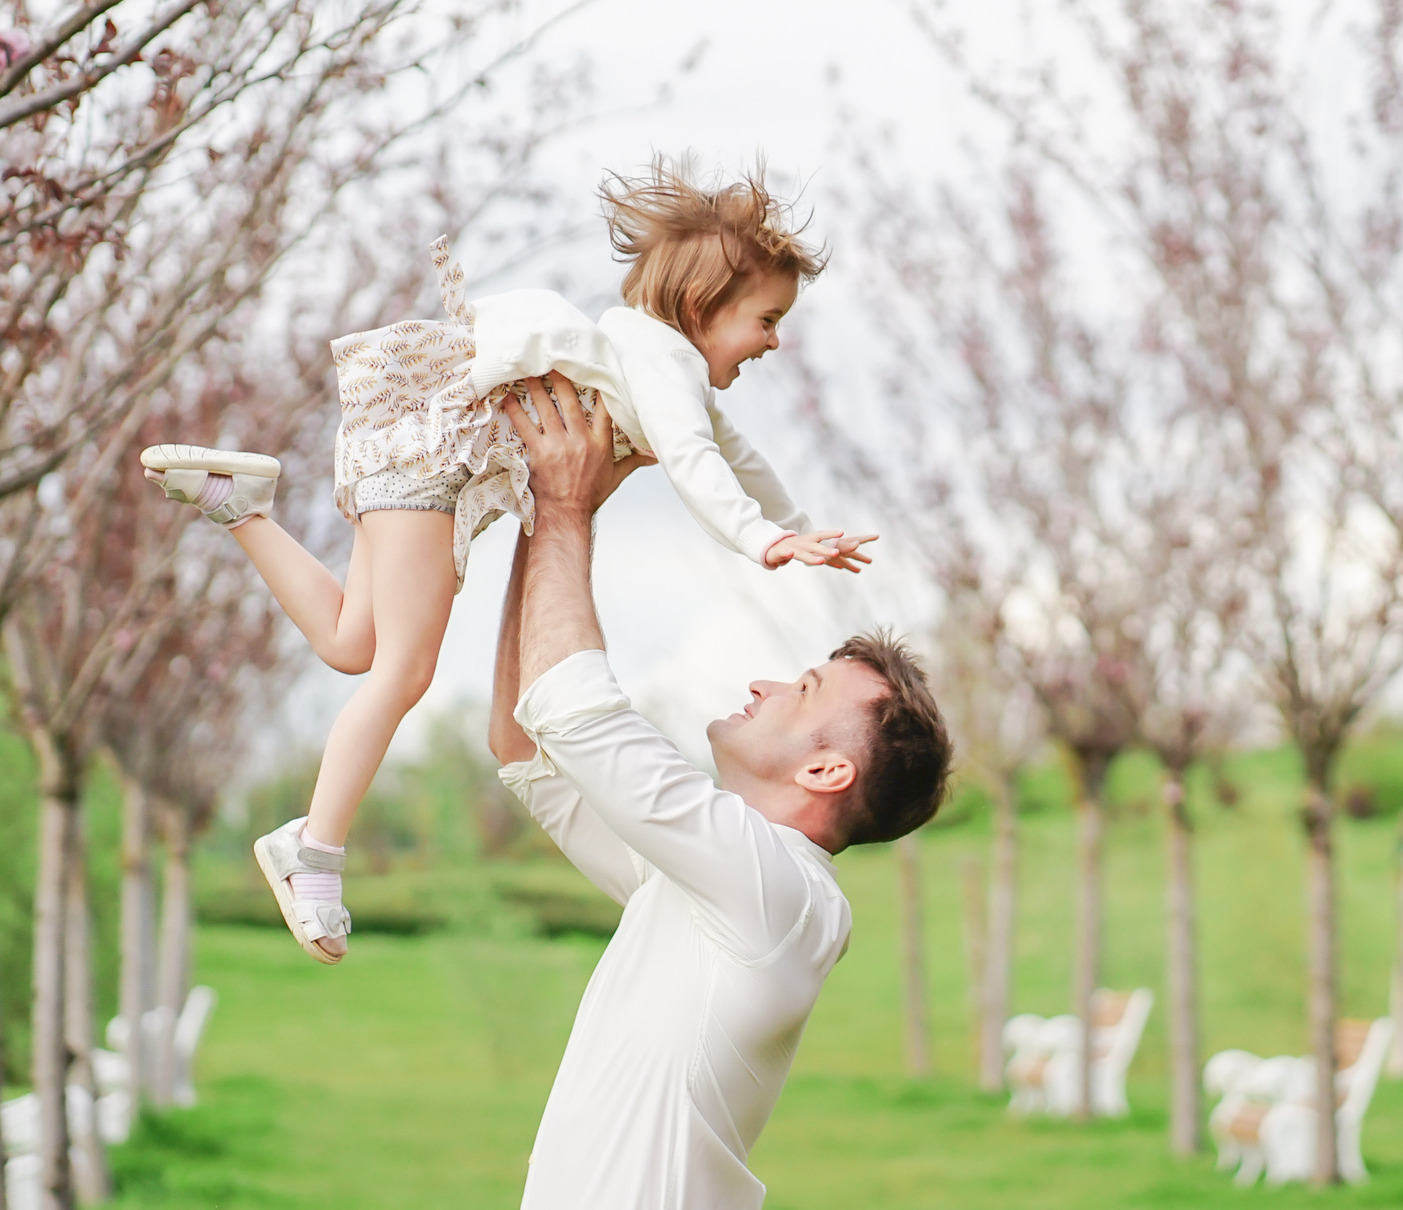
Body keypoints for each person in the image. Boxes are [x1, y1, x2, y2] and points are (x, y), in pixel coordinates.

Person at [138, 162, 876, 962]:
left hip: (412, 438)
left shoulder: (656, 357)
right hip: (435, 459)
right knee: (404, 673)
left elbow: (743, 457)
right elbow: (699, 463)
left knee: (353, 645)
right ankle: (314, 851)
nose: (774, 340)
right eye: (766, 319)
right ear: (704, 308)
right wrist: (764, 541)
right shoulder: (668, 365)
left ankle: (239, 508)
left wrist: (798, 528)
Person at [486, 371, 952, 1210]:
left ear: (825, 771)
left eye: (803, 690)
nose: (768, 686)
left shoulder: (782, 896)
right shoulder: (708, 883)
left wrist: (565, 509)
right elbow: (526, 739)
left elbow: (573, 710)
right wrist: (540, 511)